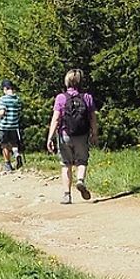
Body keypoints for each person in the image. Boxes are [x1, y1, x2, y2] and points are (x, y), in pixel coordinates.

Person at [46, 68, 97, 204]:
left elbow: (56, 119)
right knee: (82, 161)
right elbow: (92, 118)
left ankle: (67, 195)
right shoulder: (87, 97)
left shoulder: (61, 98)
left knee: (65, 164)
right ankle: (80, 180)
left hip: (65, 135)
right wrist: (94, 134)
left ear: (67, 81)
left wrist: (50, 137)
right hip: (82, 134)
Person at [0, 79, 24, 171]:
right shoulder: (17, 99)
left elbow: (2, 113)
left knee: (4, 144)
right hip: (14, 125)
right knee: (14, 143)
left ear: (4, 88)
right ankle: (16, 154)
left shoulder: (3, 99)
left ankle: (8, 164)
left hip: (4, 126)